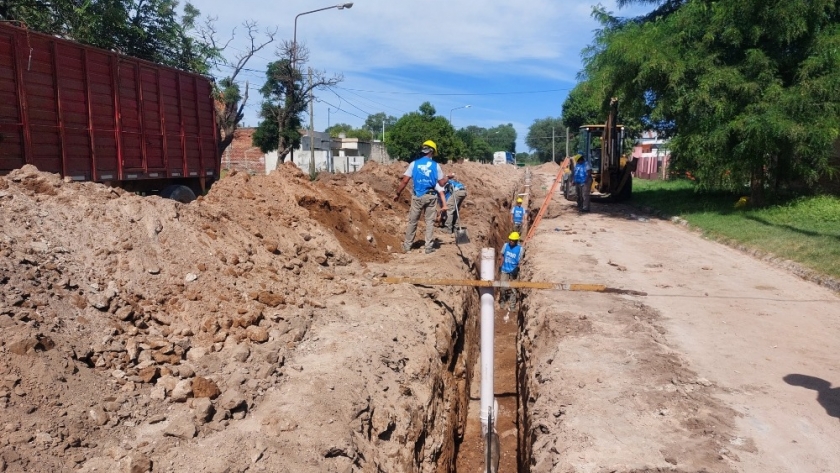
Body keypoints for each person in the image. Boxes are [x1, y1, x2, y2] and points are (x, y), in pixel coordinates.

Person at [394, 140, 448, 254]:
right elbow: (442, 183)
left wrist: (398, 193)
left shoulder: (414, 164)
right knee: (429, 222)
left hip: (417, 196)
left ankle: (407, 245)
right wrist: (448, 178)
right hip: (431, 196)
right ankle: (428, 247)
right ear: (432, 152)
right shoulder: (436, 166)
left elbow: (404, 181)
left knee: (413, 221)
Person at [498, 231, 524, 311]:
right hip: (505, 269)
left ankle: (512, 305)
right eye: (510, 240)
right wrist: (500, 265)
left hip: (514, 271)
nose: (511, 241)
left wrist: (517, 269)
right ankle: (502, 300)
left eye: (513, 240)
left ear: (516, 241)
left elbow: (521, 261)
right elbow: (502, 256)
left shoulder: (520, 249)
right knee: (502, 287)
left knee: (513, 288)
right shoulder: (506, 245)